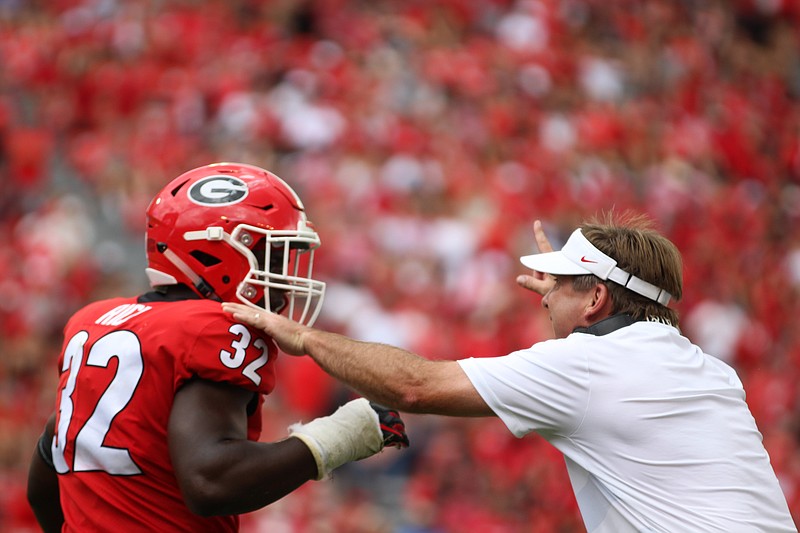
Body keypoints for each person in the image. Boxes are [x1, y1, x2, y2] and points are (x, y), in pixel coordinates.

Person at [223, 212, 796, 532]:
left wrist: (303, 336)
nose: (546, 298)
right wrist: (569, 303)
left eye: (561, 286)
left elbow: (414, 387)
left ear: (595, 299)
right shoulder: (711, 370)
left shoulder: (588, 364)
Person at [26, 162, 409, 532]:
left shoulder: (93, 320)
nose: (283, 274)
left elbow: (46, 471)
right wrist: (338, 437)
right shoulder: (211, 328)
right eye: (271, 255)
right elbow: (211, 480)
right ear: (213, 250)